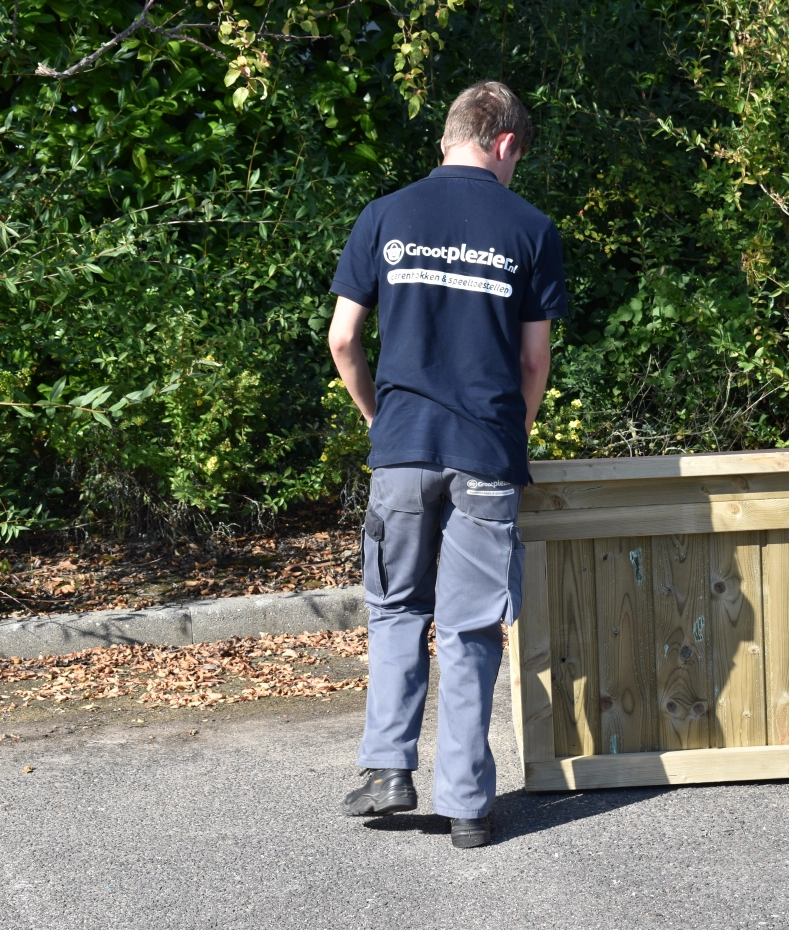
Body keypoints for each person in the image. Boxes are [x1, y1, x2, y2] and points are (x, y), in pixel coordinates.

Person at [326, 81, 566, 849]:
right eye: (517, 157)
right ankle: (467, 806)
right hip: (485, 453)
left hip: (401, 447)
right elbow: (533, 362)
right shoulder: (530, 229)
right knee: (470, 626)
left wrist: (380, 420)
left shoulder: (385, 214)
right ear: (505, 143)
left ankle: (386, 771)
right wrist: (508, 435)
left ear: (451, 136)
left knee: (397, 607)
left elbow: (342, 339)